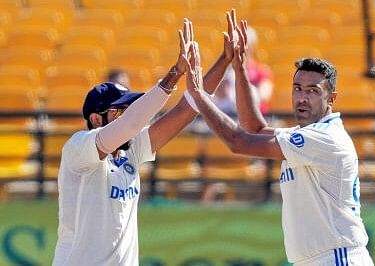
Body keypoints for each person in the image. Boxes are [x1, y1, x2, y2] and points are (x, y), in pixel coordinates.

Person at [52, 12, 241, 266]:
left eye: (130, 107)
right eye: (119, 110)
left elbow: (188, 109)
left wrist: (224, 60)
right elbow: (130, 124)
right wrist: (174, 74)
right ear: (96, 120)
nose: (129, 113)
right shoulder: (79, 147)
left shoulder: (132, 149)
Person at [184, 20, 374, 265]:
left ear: (332, 98)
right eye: (298, 88)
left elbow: (238, 142)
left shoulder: (326, 137)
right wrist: (240, 69)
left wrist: (198, 94)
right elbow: (254, 128)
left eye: (313, 91)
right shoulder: (309, 135)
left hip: (337, 258)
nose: (302, 98)